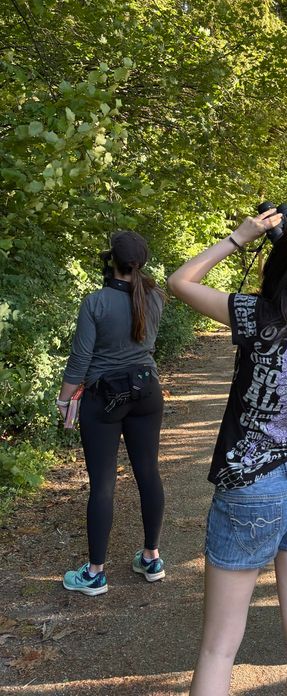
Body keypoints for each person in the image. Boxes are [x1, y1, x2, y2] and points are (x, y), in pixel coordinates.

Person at [167, 210, 287, 696]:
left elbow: (180, 281)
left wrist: (240, 237)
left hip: (250, 487)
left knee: (219, 647)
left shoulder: (253, 316)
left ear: (276, 271)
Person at [58, 230, 167, 596]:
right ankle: (151, 557)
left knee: (102, 484)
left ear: (111, 262)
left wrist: (64, 402)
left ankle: (95, 574)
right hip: (147, 389)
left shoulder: (95, 302)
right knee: (148, 473)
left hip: (104, 398)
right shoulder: (155, 297)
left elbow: (80, 361)